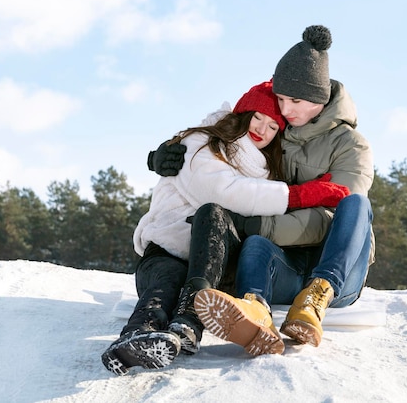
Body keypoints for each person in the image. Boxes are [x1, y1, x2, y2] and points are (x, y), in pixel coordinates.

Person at [148, 25, 375, 354]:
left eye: (294, 100)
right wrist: (162, 156)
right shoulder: (277, 133)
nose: (285, 110)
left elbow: (334, 220)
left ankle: (315, 298)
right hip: (284, 265)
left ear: (319, 98)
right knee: (254, 245)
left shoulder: (351, 146)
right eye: (281, 100)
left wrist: (255, 223)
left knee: (355, 206)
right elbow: (227, 149)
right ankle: (256, 309)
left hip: (336, 268)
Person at [102, 80, 350, 376]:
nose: (262, 129)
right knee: (167, 280)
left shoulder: (267, 171)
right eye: (257, 117)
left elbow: (255, 201)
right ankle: (137, 336)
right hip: (167, 251)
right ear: (242, 114)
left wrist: (312, 188)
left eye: (273, 127)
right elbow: (223, 191)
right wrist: (299, 195)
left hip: (214, 268)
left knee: (214, 221)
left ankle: (188, 321)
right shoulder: (199, 143)